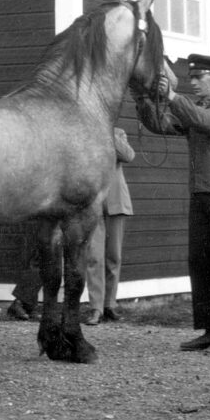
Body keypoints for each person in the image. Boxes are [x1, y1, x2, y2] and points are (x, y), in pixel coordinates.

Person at [135, 53, 210, 354]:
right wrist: (144, 100)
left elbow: (205, 122)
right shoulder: (195, 108)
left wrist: (171, 95)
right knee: (199, 262)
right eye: (192, 78)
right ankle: (209, 330)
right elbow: (164, 125)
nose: (194, 82)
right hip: (200, 193)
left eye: (199, 78)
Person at [82, 127, 135, 325]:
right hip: (92, 202)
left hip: (116, 201)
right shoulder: (85, 131)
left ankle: (109, 304)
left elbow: (128, 155)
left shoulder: (118, 132)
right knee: (94, 256)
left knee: (114, 256)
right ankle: (95, 308)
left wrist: (108, 132)